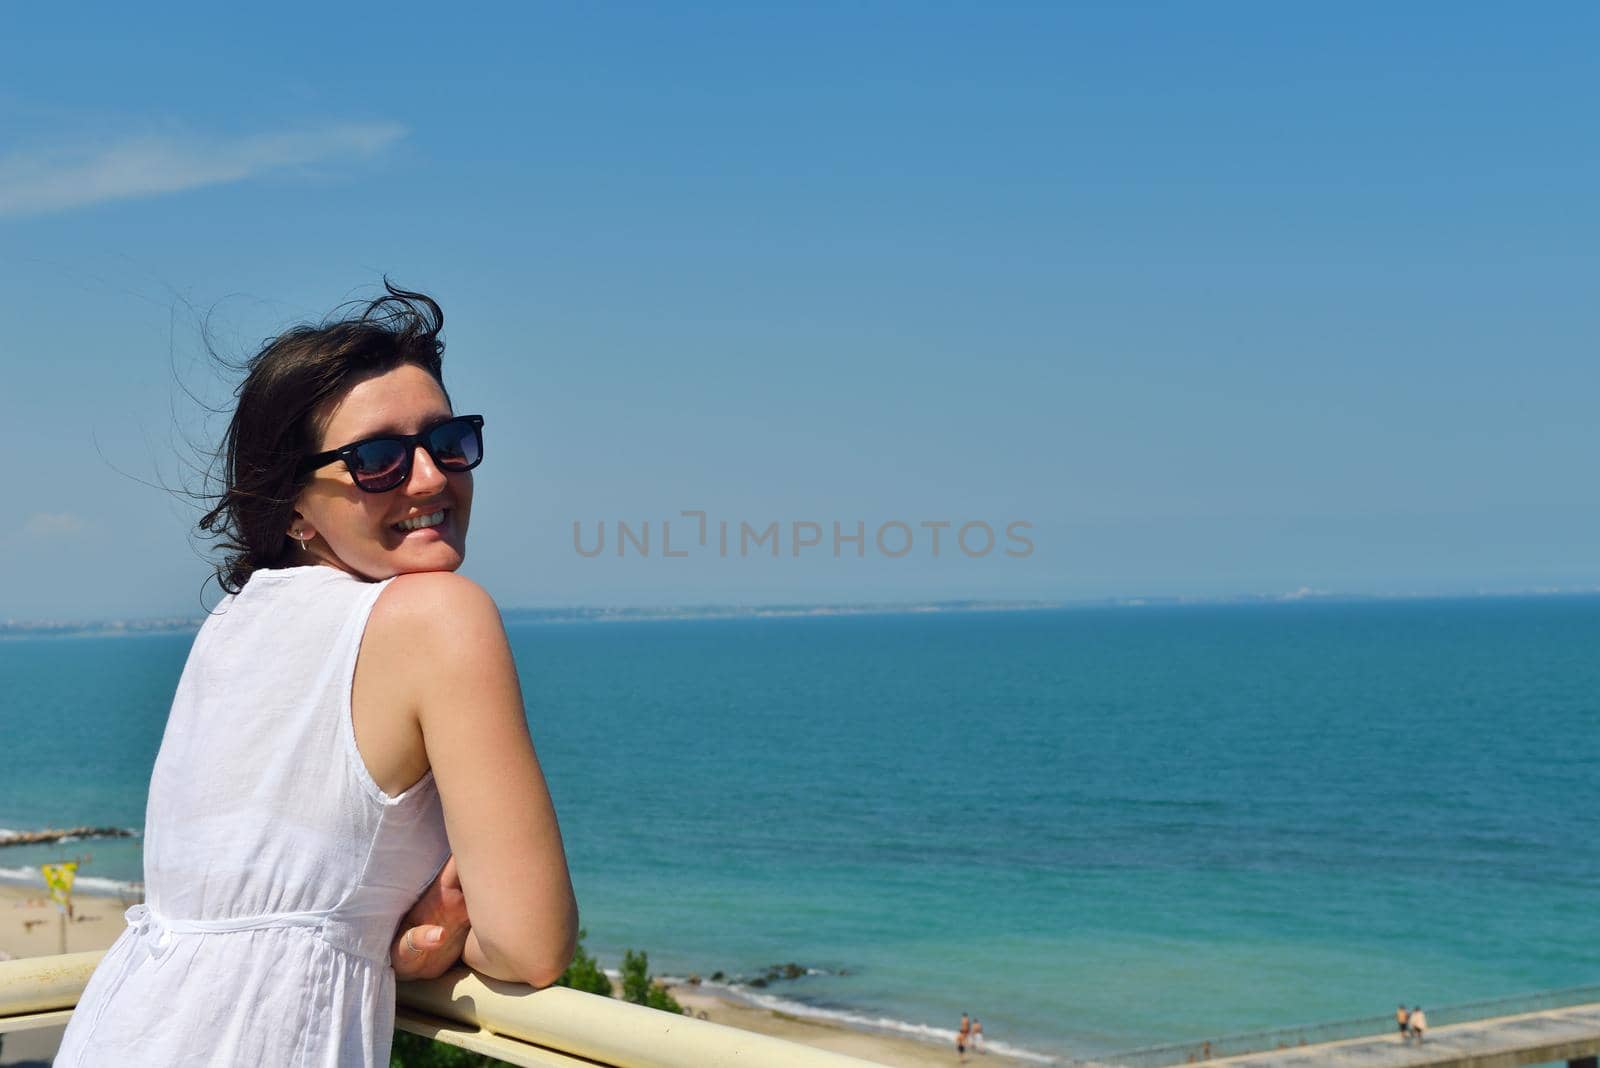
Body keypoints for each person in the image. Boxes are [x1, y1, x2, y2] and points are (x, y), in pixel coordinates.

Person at [55, 284, 579, 1067]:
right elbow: (532, 943)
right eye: (377, 460)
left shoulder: (232, 628)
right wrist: (432, 938)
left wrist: (395, 926)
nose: (432, 478)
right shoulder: (440, 615)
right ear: (293, 504)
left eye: (449, 440)